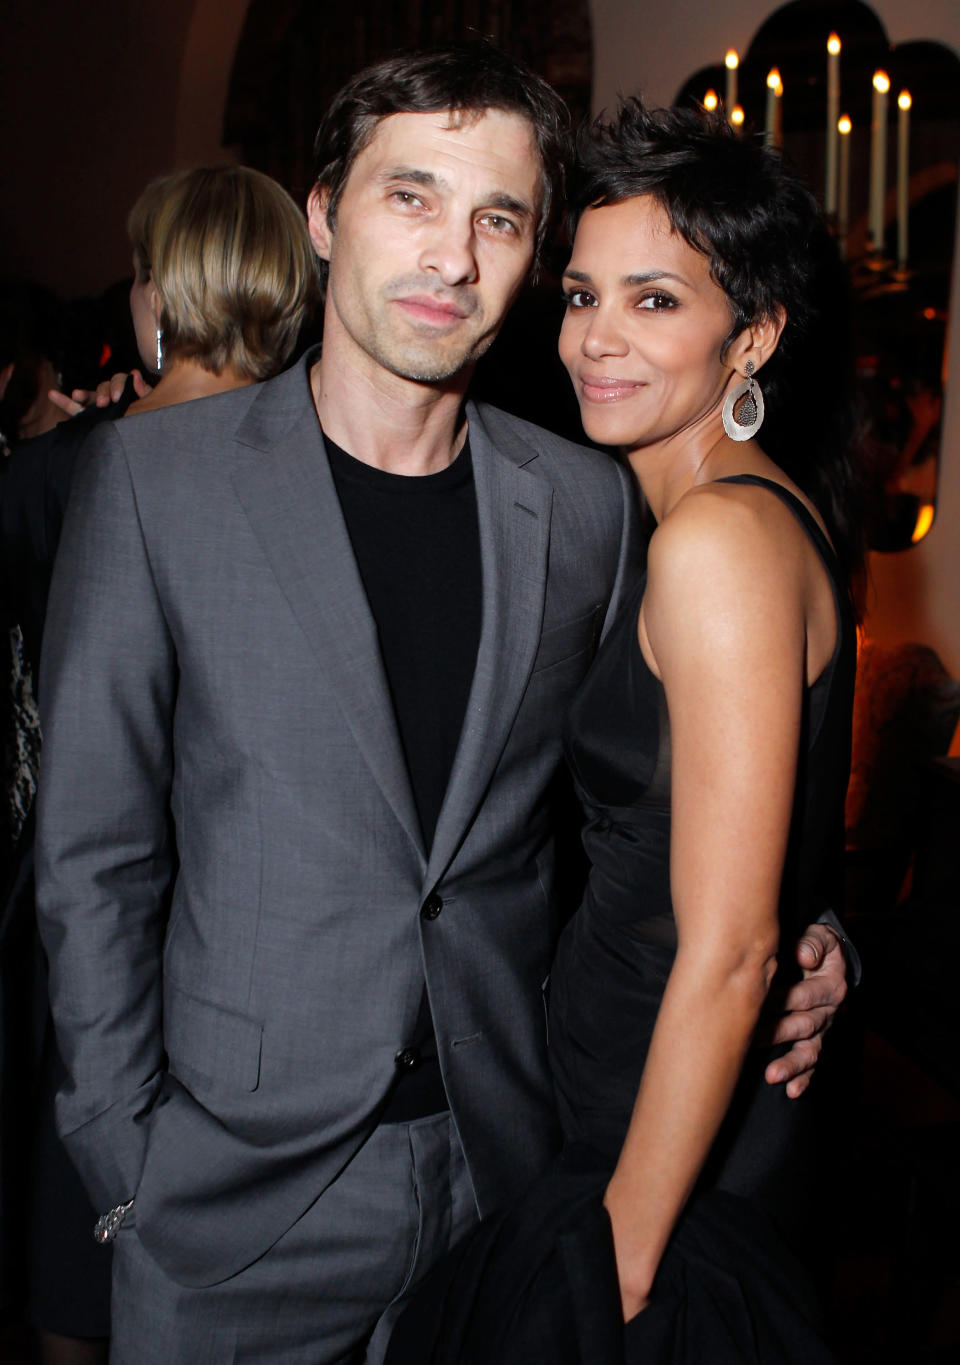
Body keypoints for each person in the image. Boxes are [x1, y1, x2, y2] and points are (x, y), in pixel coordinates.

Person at [35, 47, 849, 1365]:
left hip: (506, 1171)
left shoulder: (585, 504)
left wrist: (812, 937)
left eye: (500, 219)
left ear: (529, 258)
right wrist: (122, 1165)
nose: (452, 259)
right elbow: (90, 858)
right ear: (321, 213)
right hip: (233, 1202)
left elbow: (671, 785)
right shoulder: (153, 482)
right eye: (410, 196)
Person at [386, 98, 861, 1365]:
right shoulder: (727, 512)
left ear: (750, 336)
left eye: (656, 301)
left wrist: (618, 1271)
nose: (596, 339)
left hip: (664, 1156)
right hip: (639, 1108)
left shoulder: (717, 541)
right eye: (583, 294)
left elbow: (734, 947)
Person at [1, 164, 317, 1365]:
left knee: (76, 1248)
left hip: (78, 915)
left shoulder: (56, 473)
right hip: (254, 925)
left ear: (158, 293)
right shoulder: (320, 478)